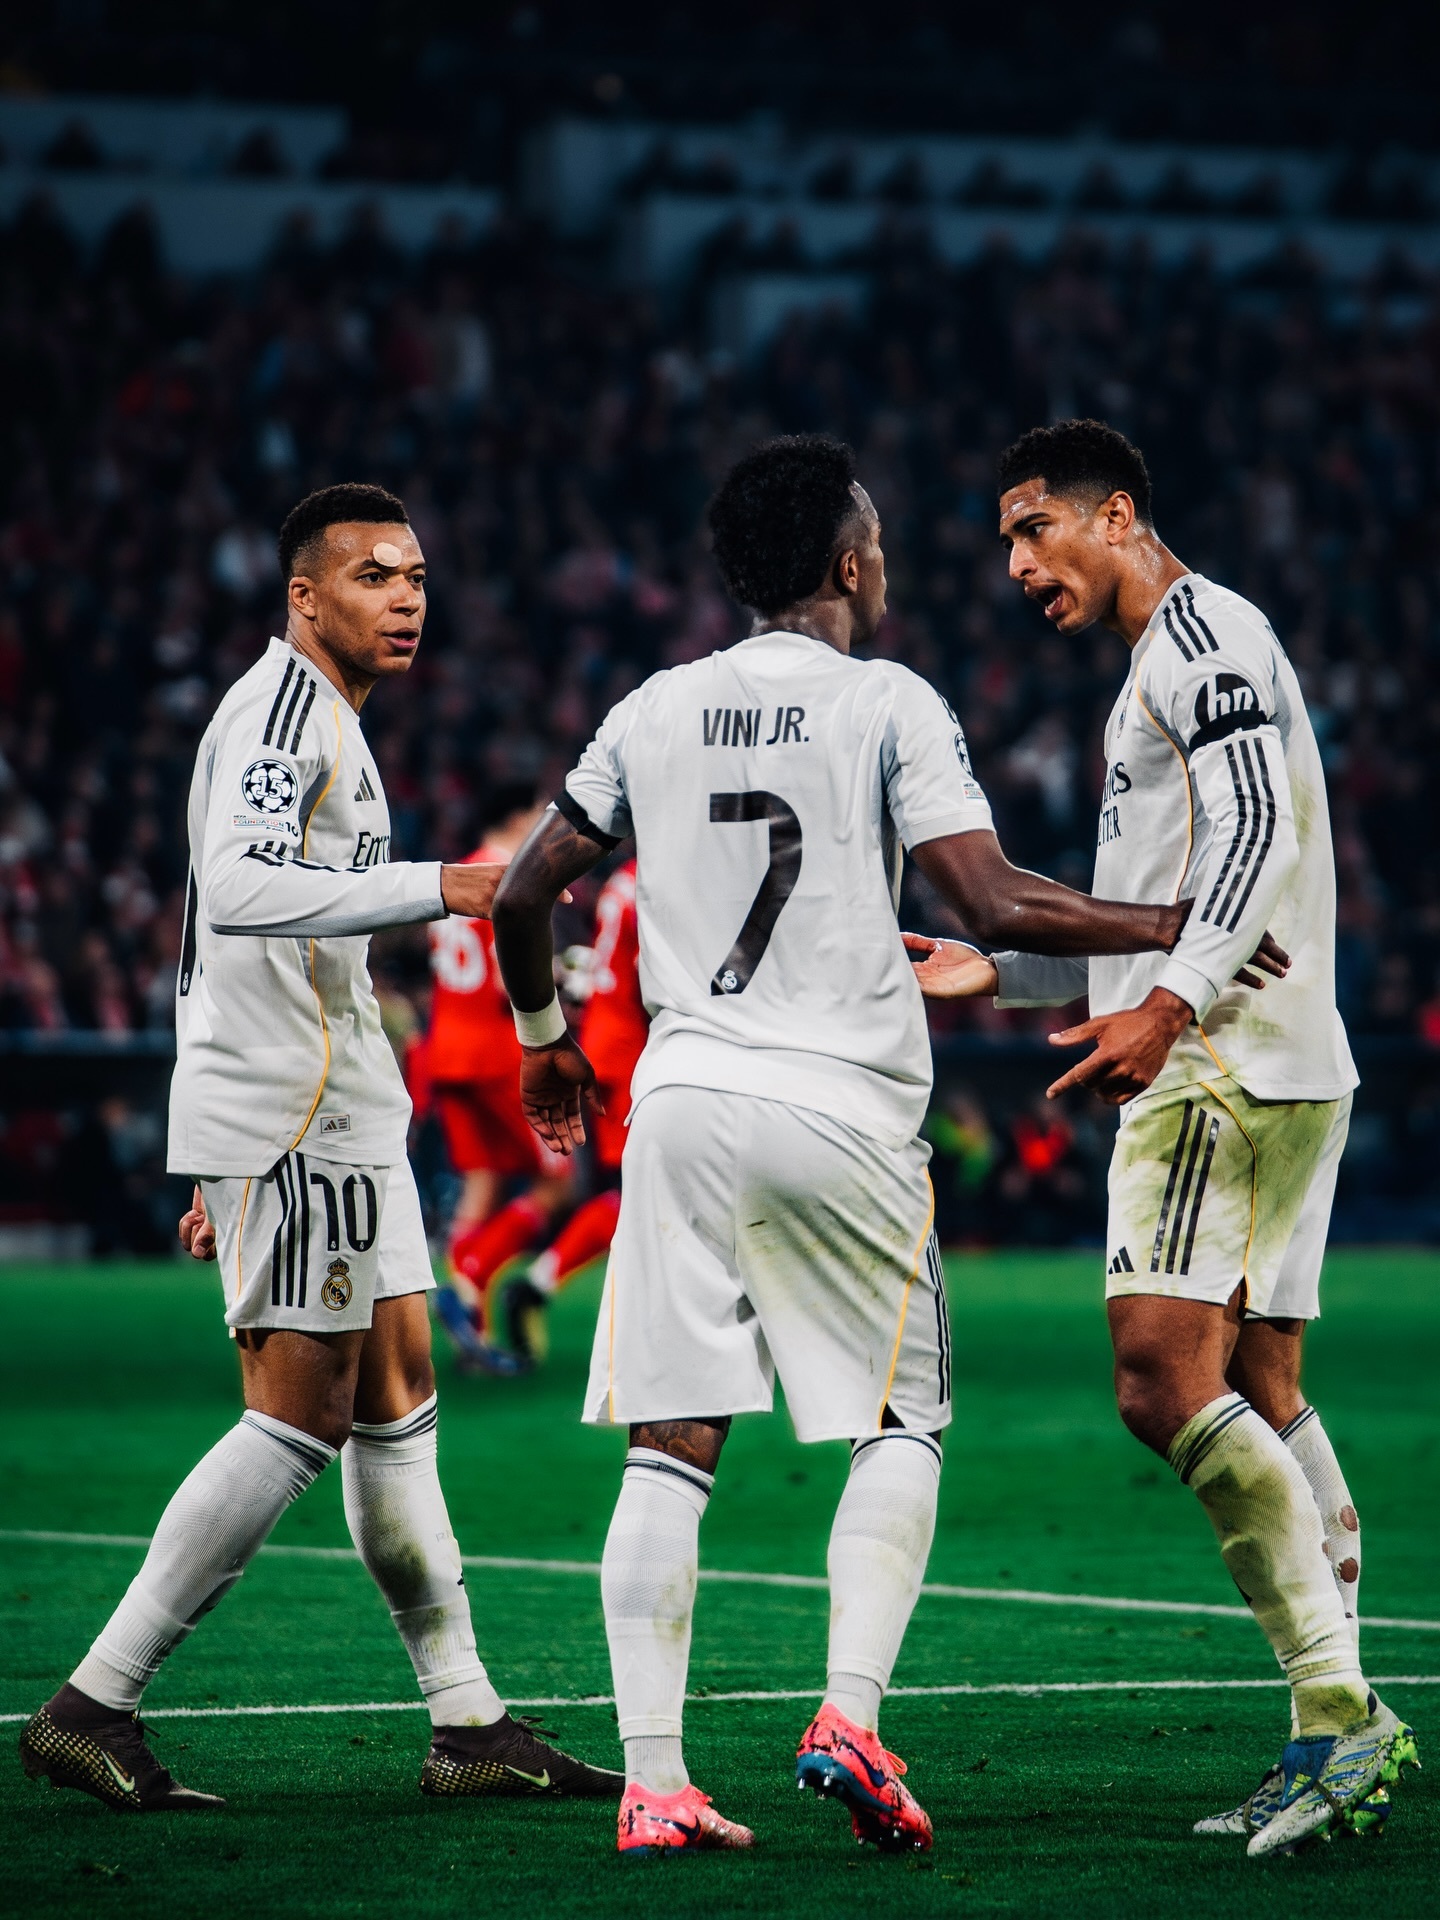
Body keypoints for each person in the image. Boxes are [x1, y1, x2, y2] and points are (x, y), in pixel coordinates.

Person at [487, 434, 1238, 1857]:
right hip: (838, 1106)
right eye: (878, 540)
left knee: (670, 1446)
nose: (886, 560)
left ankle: (655, 1785)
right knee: (901, 1425)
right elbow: (990, 902)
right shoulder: (888, 701)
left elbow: (527, 891)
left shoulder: (652, 707)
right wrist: (1171, 924)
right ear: (847, 561)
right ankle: (847, 1717)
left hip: (682, 1104)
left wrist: (542, 1036)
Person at [17, 484, 620, 1812]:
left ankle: (467, 1723)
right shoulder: (285, 714)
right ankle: (91, 1704)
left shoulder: (330, 717)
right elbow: (235, 889)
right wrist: (445, 885)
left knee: (399, 1396)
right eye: (372, 576)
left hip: (334, 1103)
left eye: (416, 577)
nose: (405, 599)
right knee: (300, 1415)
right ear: (304, 595)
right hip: (293, 1110)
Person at [927, 419, 1417, 1857]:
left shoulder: (1202, 638)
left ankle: (1342, 1712)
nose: (1019, 567)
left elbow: (1259, 831)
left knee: (1159, 1379)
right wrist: (1004, 972)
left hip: (1219, 1066)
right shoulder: (1169, 659)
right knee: (1260, 1386)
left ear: (1118, 514)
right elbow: (1173, 894)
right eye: (1007, 543)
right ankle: (1332, 1722)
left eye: (1034, 531)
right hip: (1263, 1053)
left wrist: (1167, 1009)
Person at [423, 783, 575, 1371]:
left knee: (479, 1183)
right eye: (537, 812)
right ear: (516, 818)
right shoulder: (507, 878)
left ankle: (474, 1327)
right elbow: (509, 974)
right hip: (494, 1052)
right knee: (557, 1182)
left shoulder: (456, 876)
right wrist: (559, 980)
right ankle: (470, 1277)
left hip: (446, 1051)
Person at [495, 855, 648, 1367]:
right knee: (637, 1195)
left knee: (633, 1193)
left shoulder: (625, 879)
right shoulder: (656, 877)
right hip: (630, 1052)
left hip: (609, 1044)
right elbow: (653, 979)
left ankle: (536, 1287)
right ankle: (537, 1287)